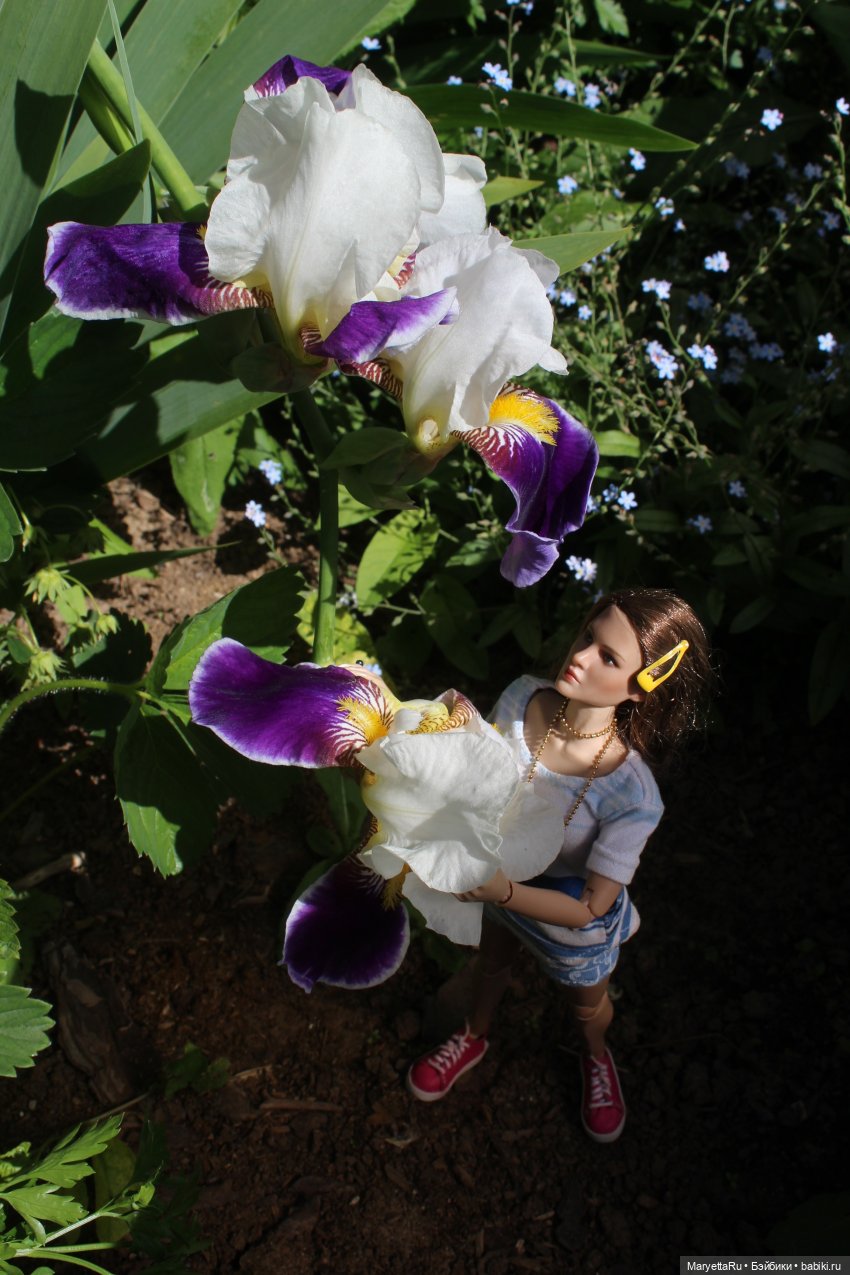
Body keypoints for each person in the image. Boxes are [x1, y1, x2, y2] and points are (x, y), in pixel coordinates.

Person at [405, 587, 713, 1142]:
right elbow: (479, 772)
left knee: (586, 1005)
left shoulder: (631, 794)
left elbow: (591, 906)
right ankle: (474, 1034)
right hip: (500, 878)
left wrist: (502, 892)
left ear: (643, 687)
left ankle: (596, 1056)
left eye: (608, 658)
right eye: (589, 636)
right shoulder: (523, 698)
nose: (582, 656)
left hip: (565, 917)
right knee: (490, 966)